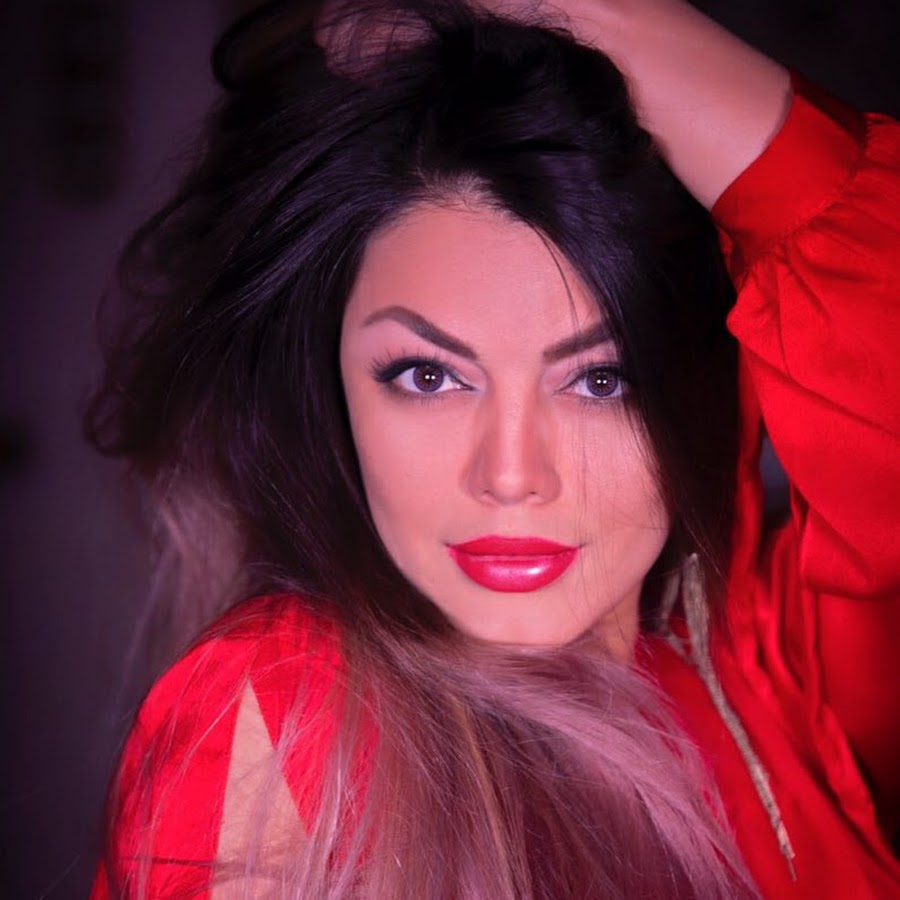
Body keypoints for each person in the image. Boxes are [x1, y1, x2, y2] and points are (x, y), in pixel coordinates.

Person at [87, 0, 900, 896]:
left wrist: (562, 6)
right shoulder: (289, 709)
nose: (512, 476)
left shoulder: (772, 676)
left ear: (695, 392)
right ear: (332, 390)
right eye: (429, 376)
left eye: (601, 380)